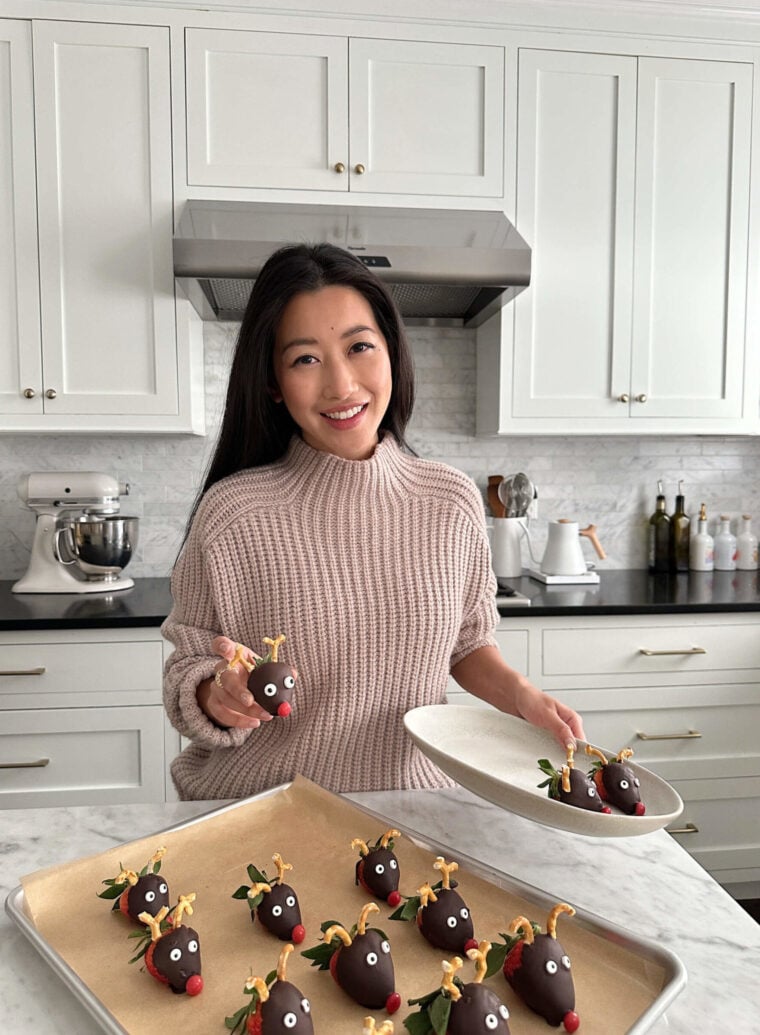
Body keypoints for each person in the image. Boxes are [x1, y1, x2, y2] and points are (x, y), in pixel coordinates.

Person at [162, 242, 585, 800]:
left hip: (416, 807)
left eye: (359, 346)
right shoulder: (234, 514)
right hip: (264, 811)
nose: (341, 386)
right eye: (305, 359)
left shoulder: (450, 500)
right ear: (272, 383)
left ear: (392, 352)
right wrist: (217, 695)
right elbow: (188, 667)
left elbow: (465, 645)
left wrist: (523, 696)